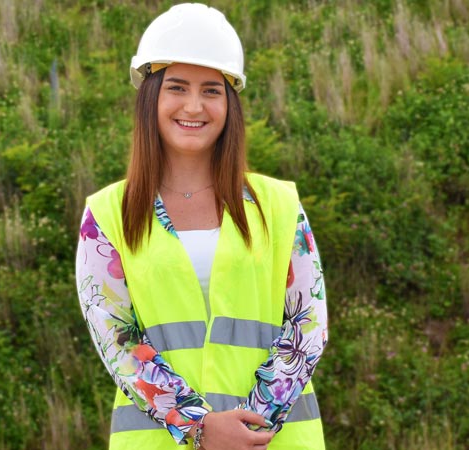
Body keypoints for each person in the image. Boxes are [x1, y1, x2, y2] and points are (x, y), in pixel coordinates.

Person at [75, 3, 328, 449]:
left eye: (211, 90)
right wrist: (200, 427)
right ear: (151, 97)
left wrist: (248, 429)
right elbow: (117, 341)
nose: (194, 106)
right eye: (177, 87)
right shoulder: (107, 214)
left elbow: (308, 326)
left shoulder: (279, 205)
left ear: (230, 104)